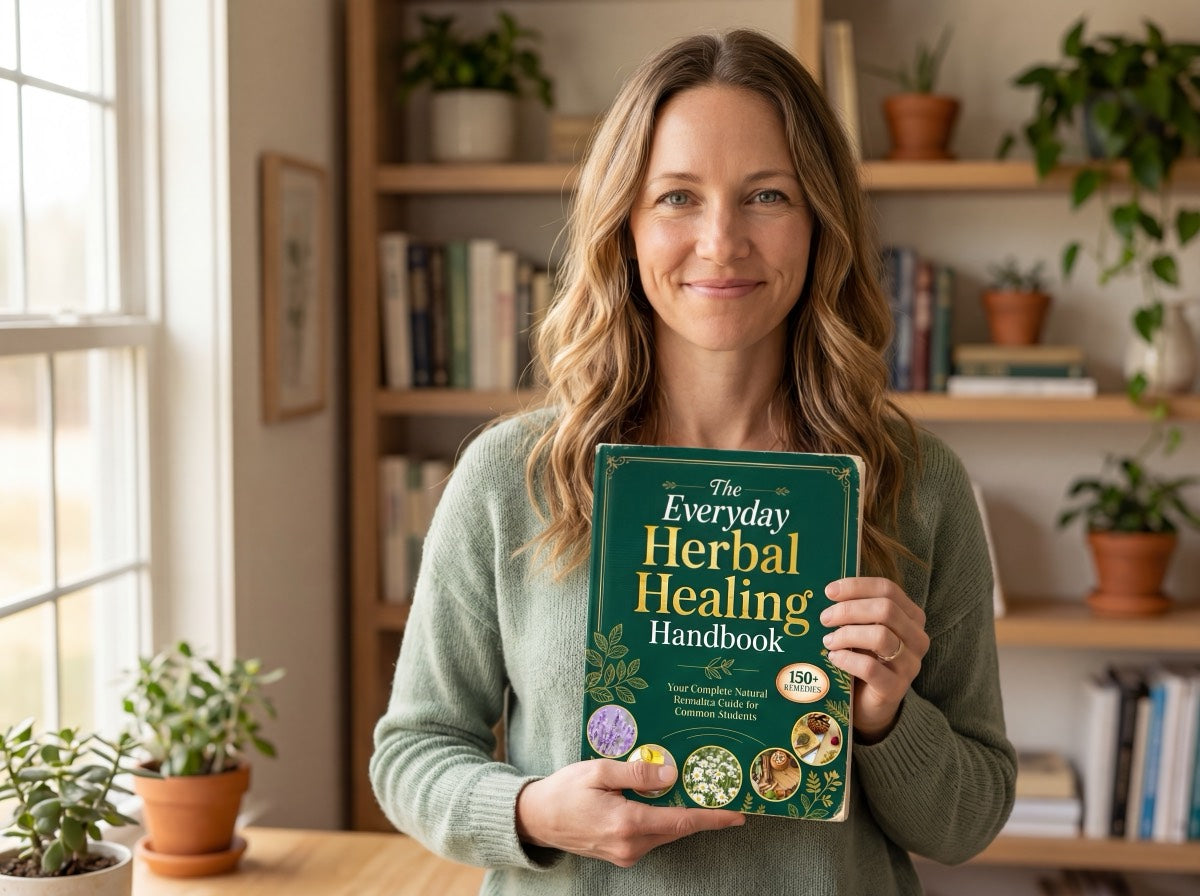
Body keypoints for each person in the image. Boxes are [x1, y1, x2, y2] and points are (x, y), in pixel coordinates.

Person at [370, 28, 1015, 895]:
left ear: (822, 222)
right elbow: (412, 753)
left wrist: (887, 721)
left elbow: (971, 819)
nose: (721, 241)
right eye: (677, 197)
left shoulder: (916, 481)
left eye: (768, 196)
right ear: (625, 224)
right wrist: (530, 811)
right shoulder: (509, 476)